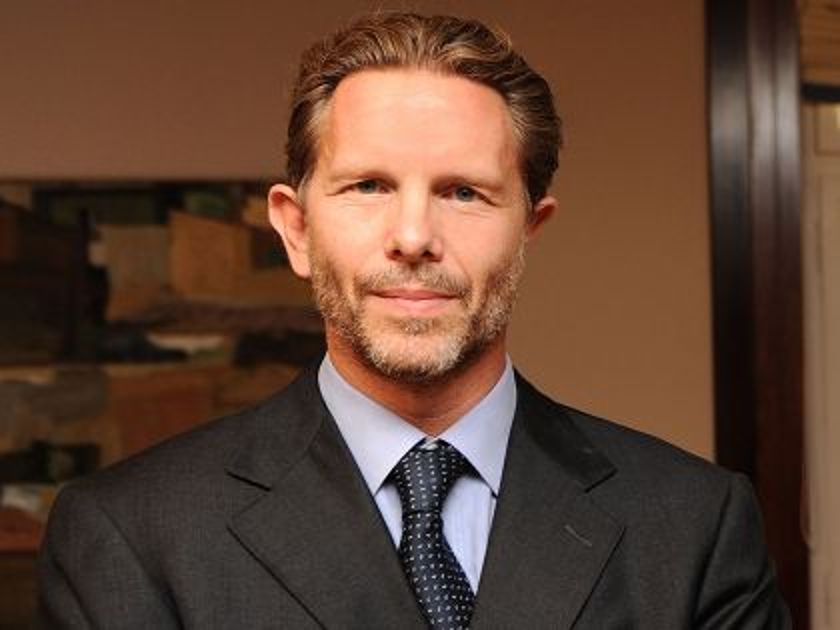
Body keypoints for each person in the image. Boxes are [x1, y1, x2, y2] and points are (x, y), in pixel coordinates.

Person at [37, 12, 790, 629]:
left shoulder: (691, 525)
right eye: (368, 186)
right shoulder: (134, 534)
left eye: (464, 193)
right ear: (296, 229)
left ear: (529, 230)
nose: (413, 236)